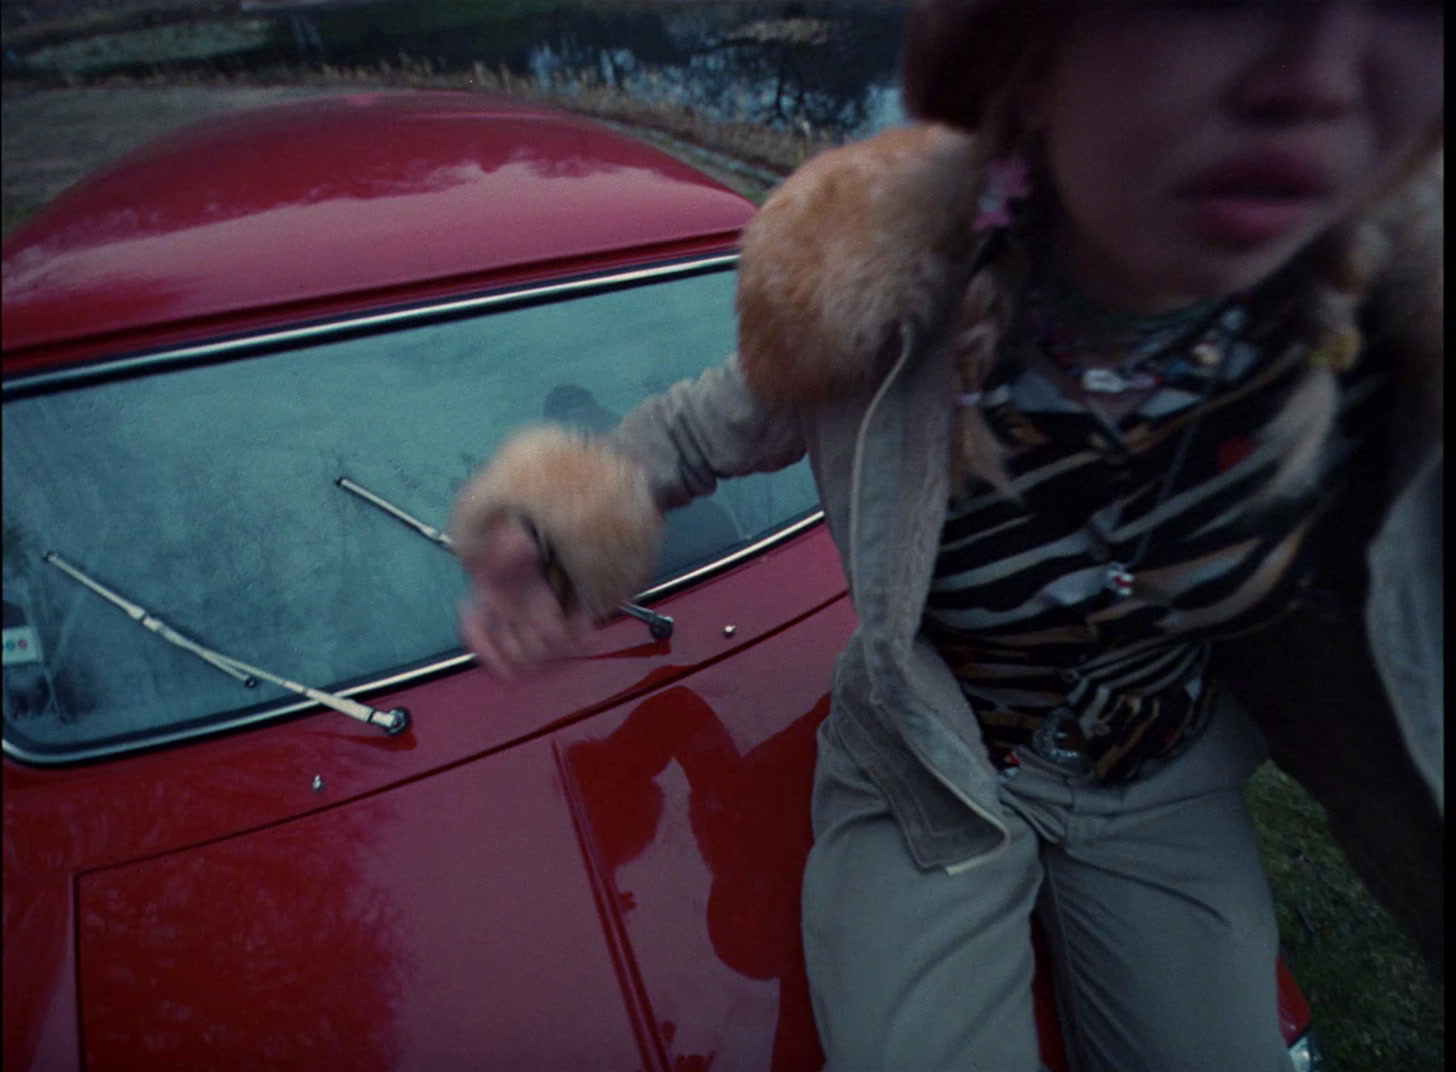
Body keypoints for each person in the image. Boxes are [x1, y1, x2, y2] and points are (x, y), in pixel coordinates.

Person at [449, 1, 1443, 1068]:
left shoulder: (1364, 345)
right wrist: (552, 529)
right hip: (924, 762)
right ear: (1027, 67)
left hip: (1159, 771)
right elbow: (694, 430)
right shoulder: (869, 296)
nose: (1319, 78)